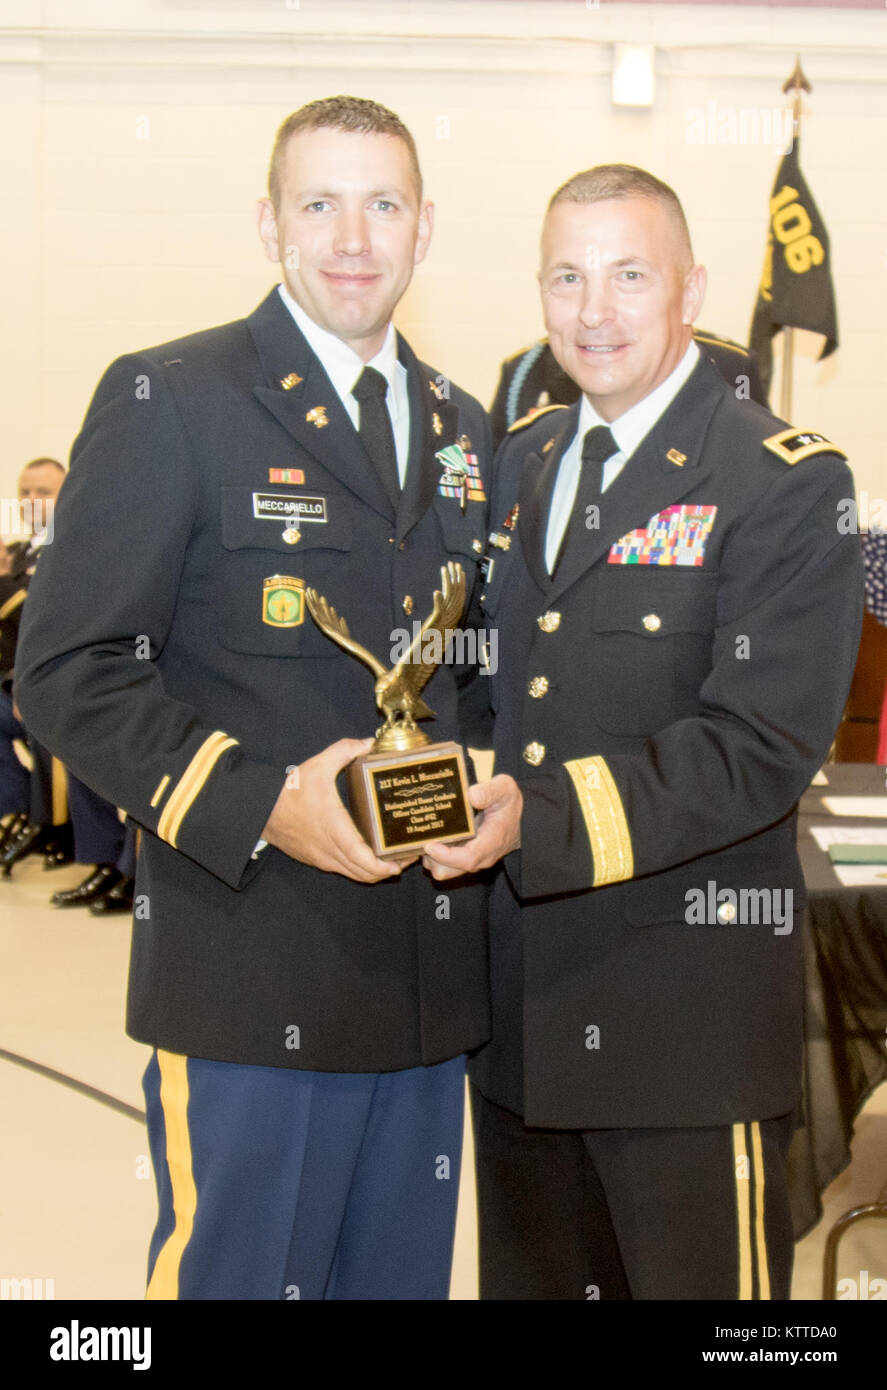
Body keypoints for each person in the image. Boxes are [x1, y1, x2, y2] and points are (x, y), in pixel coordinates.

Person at [16, 95, 492, 1301]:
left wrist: (502, 788)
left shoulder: (465, 433)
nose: (351, 236)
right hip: (252, 975)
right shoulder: (171, 398)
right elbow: (70, 669)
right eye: (318, 203)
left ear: (424, 228)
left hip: (425, 990)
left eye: (382, 204)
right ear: (269, 223)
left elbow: (474, 675)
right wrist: (265, 802)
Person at [424, 164, 864, 1300]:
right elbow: (488, 686)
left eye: (627, 275)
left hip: (679, 1021)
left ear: (689, 288)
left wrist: (539, 816)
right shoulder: (518, 464)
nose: (593, 309)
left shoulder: (777, 481)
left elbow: (762, 742)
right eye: (565, 277)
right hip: (521, 1014)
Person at [489, 328, 767, 448]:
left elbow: (755, 475)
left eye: (630, 276)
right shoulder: (525, 370)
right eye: (570, 278)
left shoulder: (729, 366)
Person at [0, 458, 69, 861]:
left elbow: (40, 624)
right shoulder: (19, 552)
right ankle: (22, 810)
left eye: (43, 493)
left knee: (49, 730)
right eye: (24, 492)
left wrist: (5, 582)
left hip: (51, 685)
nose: (30, 501)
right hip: (14, 683)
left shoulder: (69, 549)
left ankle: (57, 830)